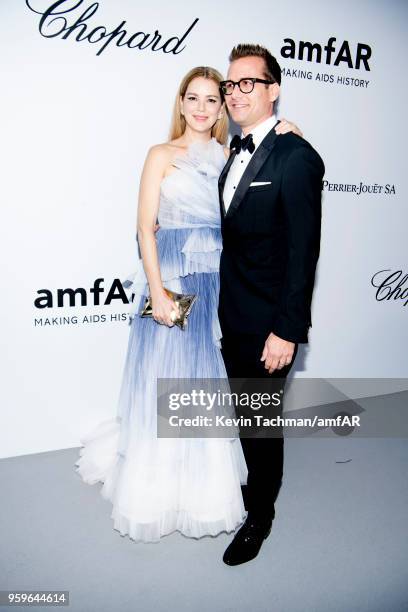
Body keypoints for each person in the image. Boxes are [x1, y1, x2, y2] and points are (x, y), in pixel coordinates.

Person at [75, 65, 302, 543]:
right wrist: (156, 290)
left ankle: (203, 487)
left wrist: (288, 130)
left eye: (211, 100)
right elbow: (144, 228)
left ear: (222, 108)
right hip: (173, 281)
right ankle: (158, 488)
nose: (202, 108)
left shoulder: (229, 156)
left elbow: (264, 177)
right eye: (192, 98)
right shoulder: (160, 154)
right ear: (180, 104)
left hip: (220, 282)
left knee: (208, 386)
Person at [218, 44, 325, 566]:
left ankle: (261, 515)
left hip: (269, 328)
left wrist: (287, 330)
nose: (236, 93)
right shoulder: (232, 152)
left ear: (272, 90)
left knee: (261, 422)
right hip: (233, 315)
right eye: (230, 85)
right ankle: (258, 490)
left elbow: (304, 252)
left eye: (248, 83)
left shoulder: (296, 156)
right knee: (247, 417)